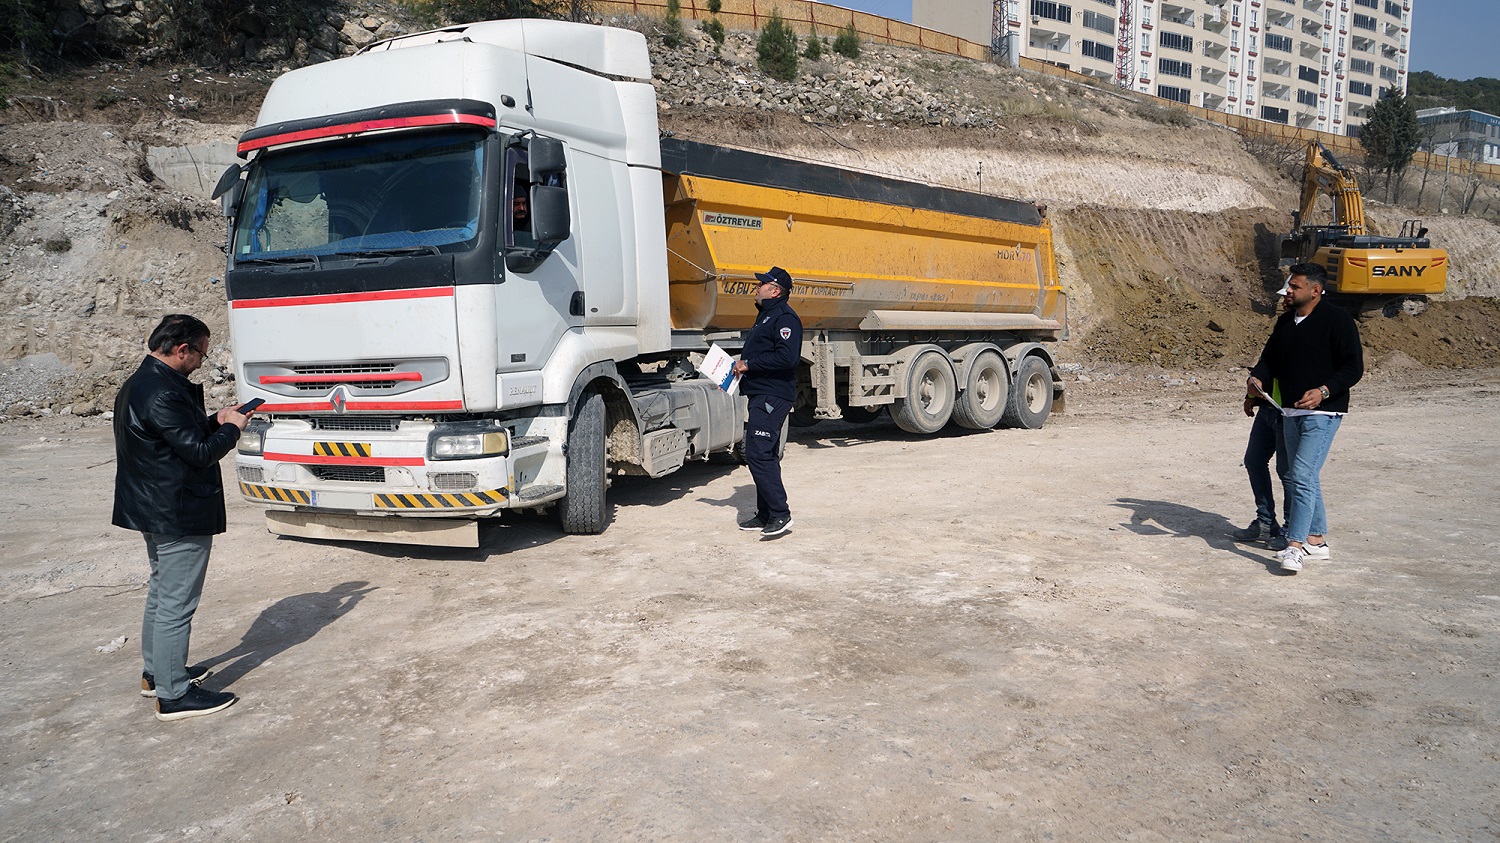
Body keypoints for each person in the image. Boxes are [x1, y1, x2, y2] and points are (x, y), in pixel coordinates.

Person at [113, 314, 251, 720]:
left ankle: (158, 674)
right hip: (177, 509)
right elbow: (201, 453)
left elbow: (175, 437)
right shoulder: (163, 393)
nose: (200, 363)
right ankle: (173, 695)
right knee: (176, 603)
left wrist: (216, 420)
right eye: (201, 356)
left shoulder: (145, 382)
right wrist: (235, 429)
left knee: (161, 593)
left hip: (154, 505)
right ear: (181, 350)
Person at [1247, 264, 1364, 573]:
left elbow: (1353, 368)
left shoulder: (1338, 320)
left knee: (1300, 474)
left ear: (1315, 290)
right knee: (1299, 473)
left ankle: (1294, 546)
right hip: (1288, 411)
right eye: (1289, 286)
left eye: (1295, 286)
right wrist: (1256, 381)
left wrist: (1324, 391)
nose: (1288, 291)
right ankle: (1316, 540)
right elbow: (1268, 361)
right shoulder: (1285, 323)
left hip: (1323, 412)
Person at [733, 266, 803, 537]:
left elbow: (787, 358)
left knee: (758, 453)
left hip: (773, 396)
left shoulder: (785, 318)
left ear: (775, 291)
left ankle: (780, 514)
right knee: (765, 454)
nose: (757, 287)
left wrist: (748, 364)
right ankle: (765, 514)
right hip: (761, 394)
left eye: (762, 284)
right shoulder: (767, 315)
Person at [1233, 284, 1293, 550]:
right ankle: (1267, 522)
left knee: (1288, 472)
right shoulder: (1283, 324)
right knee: (1254, 461)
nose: (1283, 301)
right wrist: (1253, 396)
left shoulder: (1313, 328)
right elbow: (1267, 363)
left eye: (1288, 296)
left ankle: (1293, 529)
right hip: (1269, 407)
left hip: (1290, 412)